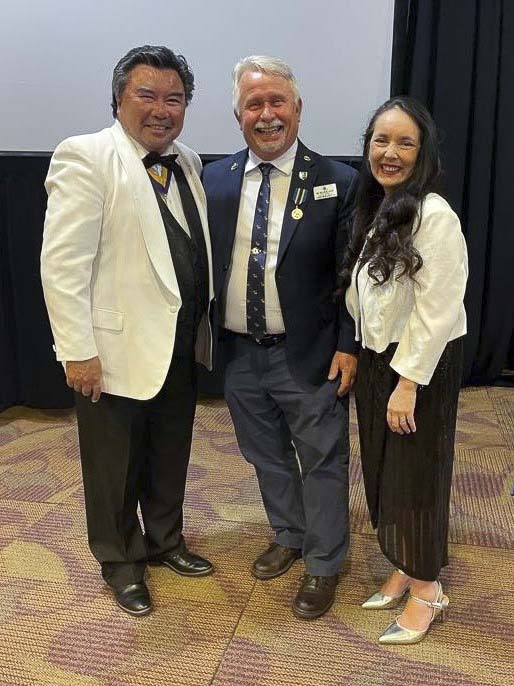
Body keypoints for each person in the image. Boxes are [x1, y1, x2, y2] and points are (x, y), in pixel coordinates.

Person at [41, 45, 215, 617]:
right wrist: (77, 350)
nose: (161, 109)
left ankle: (165, 541)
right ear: (118, 98)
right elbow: (63, 265)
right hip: (110, 351)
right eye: (148, 95)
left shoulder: (186, 160)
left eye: (175, 98)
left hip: (179, 346)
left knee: (169, 453)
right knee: (114, 464)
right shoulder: (85, 156)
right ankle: (120, 561)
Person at [203, 56, 358, 620]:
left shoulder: (338, 180)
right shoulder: (213, 180)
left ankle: (323, 563)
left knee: (322, 459)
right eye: (253, 104)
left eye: (277, 103)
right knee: (265, 455)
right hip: (242, 353)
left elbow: (351, 275)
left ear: (297, 109)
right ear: (237, 114)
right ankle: (289, 535)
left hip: (310, 353)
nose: (266, 115)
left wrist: (349, 344)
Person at [342, 96, 468, 644]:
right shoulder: (383, 206)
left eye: (404, 143)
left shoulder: (435, 216)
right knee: (383, 471)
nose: (390, 153)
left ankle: (427, 589)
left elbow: (438, 309)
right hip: (378, 358)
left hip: (419, 367)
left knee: (416, 477)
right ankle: (402, 565)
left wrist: (408, 383)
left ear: (424, 152)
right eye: (380, 140)